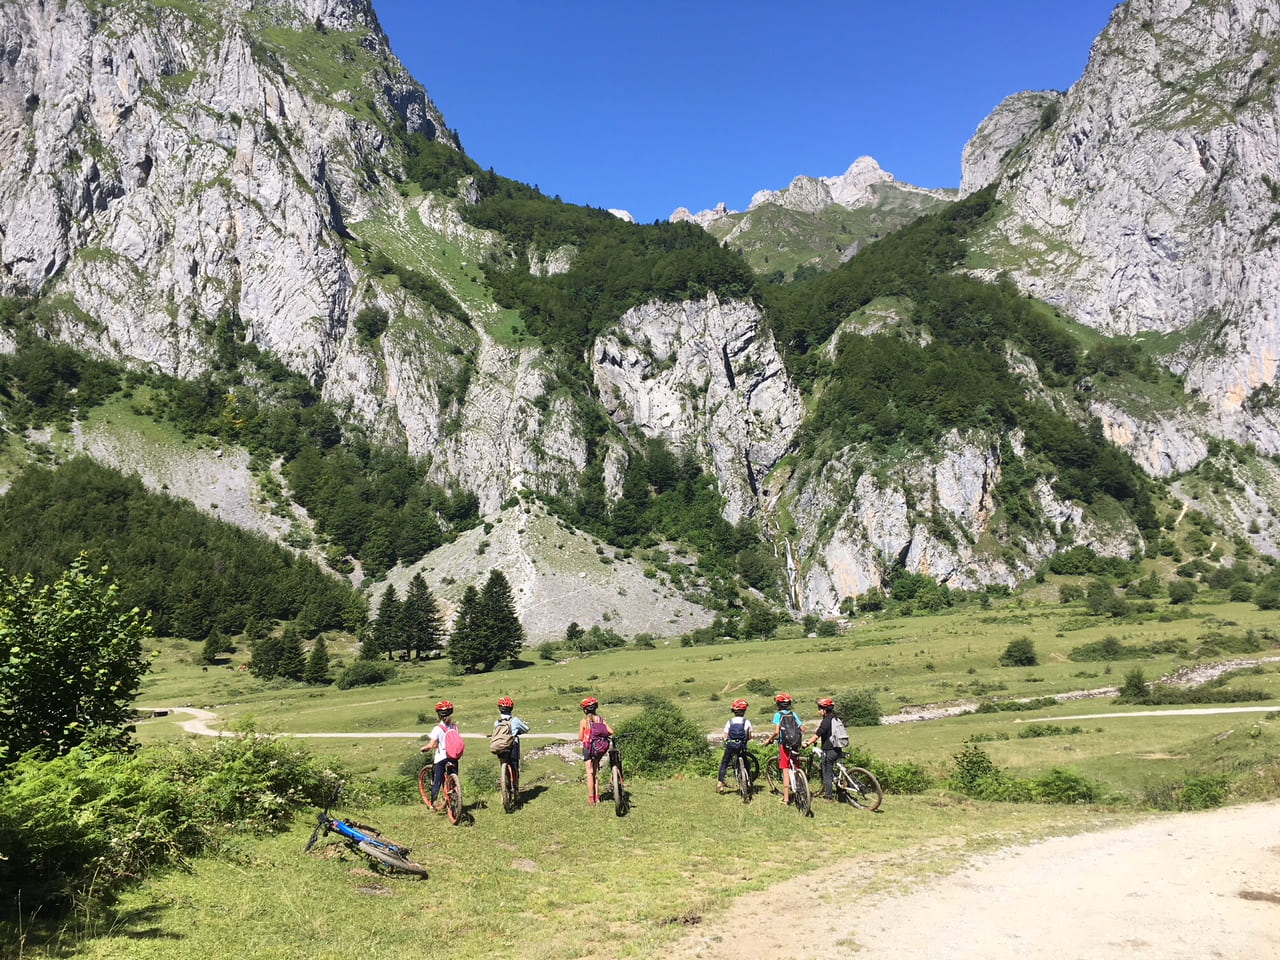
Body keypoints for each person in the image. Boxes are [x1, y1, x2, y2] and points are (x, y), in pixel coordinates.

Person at [762, 693, 803, 805]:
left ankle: (786, 798)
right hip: (796, 743)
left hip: (784, 744)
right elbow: (802, 728)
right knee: (797, 765)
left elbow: (776, 731)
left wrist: (769, 740)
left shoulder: (778, 715)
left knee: (785, 768)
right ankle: (801, 786)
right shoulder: (794, 714)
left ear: (778, 705)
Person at [420, 699, 460, 812]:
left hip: (441, 758)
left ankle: (433, 805)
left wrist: (424, 748)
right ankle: (456, 796)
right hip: (454, 757)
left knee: (437, 782)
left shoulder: (437, 729)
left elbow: (431, 745)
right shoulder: (455, 727)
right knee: (454, 780)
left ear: (439, 715)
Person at [578, 696, 613, 805]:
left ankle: (591, 799)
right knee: (595, 773)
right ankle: (597, 798)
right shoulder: (601, 720)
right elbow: (611, 731)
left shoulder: (584, 721)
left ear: (585, 710)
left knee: (589, 773)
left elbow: (580, 737)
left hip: (588, 748)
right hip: (598, 748)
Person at [806, 696, 841, 801]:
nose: (819, 711)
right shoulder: (836, 718)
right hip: (837, 748)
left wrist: (807, 743)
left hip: (829, 750)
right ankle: (841, 790)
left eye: (820, 708)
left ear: (825, 709)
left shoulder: (826, 721)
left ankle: (829, 797)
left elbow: (818, 734)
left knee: (827, 774)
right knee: (832, 770)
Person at [493, 696, 530, 793]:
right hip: (513, 745)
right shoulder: (515, 720)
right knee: (514, 765)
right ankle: (516, 787)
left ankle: (504, 779)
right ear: (511, 708)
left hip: (501, 746)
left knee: (503, 762)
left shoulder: (497, 722)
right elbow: (526, 729)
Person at [716, 699, 754, 793]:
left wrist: (726, 741)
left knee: (725, 763)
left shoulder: (730, 722)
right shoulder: (746, 722)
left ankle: (720, 784)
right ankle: (748, 780)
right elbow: (750, 736)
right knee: (745, 761)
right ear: (744, 711)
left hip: (731, 745)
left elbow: (725, 736)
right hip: (741, 746)